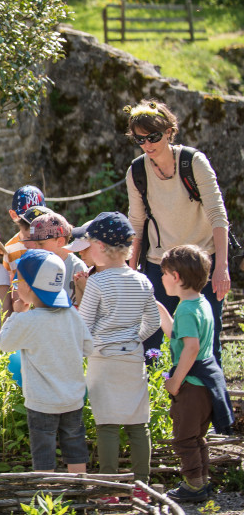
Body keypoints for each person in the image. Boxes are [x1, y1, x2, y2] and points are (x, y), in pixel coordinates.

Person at [124, 99, 230, 364]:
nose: (147, 145)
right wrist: (130, 270)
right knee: (152, 341)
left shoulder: (193, 162)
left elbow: (218, 215)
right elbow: (136, 224)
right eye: (140, 140)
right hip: (160, 264)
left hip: (201, 262)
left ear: (169, 131)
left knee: (206, 343)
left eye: (153, 137)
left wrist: (222, 268)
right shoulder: (137, 171)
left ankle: (207, 402)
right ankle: (158, 403)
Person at [77, 212, 160, 503]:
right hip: (132, 359)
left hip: (103, 360)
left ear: (99, 246)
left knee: (108, 424)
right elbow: (153, 322)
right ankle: (142, 488)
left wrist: (99, 339)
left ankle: (110, 489)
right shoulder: (143, 281)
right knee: (139, 423)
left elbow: (84, 325)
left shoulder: (98, 283)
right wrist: (134, 338)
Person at [0, 250, 93, 473]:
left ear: (28, 287)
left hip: (41, 402)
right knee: (75, 447)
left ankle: (46, 498)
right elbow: (88, 347)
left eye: (18, 279)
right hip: (73, 399)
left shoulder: (28, 320)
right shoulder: (72, 315)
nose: (15, 283)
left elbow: (4, 343)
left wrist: (18, 314)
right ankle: (80, 492)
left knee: (43, 453)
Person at [157, 245, 234, 503]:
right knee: (197, 437)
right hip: (205, 383)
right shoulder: (198, 304)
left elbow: (191, 347)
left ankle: (194, 486)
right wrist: (158, 308)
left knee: (184, 438)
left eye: (164, 274)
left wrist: (175, 382)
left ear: (176, 277)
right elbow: (176, 335)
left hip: (191, 384)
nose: (162, 279)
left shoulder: (188, 310)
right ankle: (201, 481)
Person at [28, 213, 88, 307]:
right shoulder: (36, 265)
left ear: (60, 241)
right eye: (34, 244)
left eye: (41, 244)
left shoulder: (77, 268)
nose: (36, 249)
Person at [3, 185, 46, 280]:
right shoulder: (9, 249)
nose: (32, 221)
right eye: (26, 217)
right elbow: (9, 281)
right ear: (13, 215)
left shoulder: (50, 240)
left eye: (38, 216)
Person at [64, 220, 96, 307]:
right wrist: (78, 286)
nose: (80, 252)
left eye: (85, 248)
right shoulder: (89, 272)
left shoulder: (109, 277)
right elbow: (82, 311)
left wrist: (85, 287)